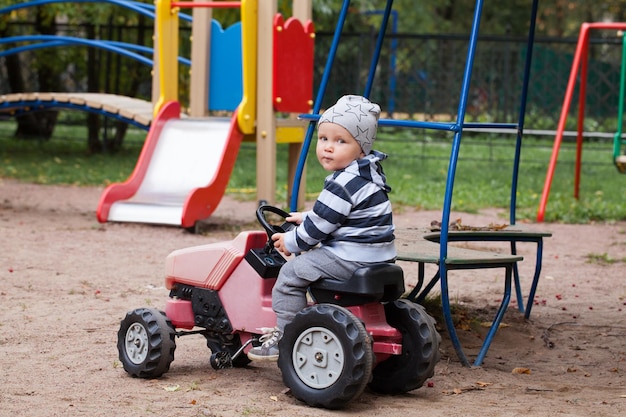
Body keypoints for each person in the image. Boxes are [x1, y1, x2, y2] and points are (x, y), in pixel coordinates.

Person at [247, 95, 396, 361]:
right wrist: (307, 216)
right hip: (378, 256)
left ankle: (286, 336)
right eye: (324, 138)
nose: (328, 147)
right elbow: (339, 215)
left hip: (351, 257)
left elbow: (317, 231)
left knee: (291, 273)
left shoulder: (341, 183)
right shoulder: (367, 175)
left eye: (341, 141)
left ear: (361, 148)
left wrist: (291, 242)